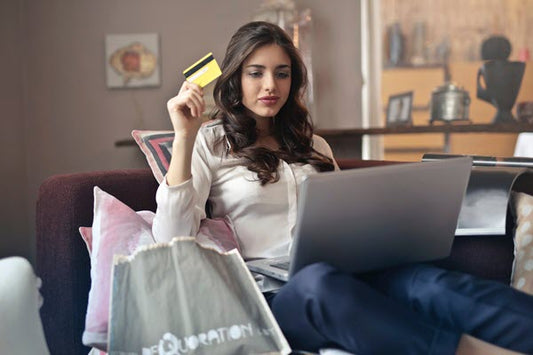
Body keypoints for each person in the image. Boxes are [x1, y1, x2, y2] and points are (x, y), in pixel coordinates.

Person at [153, 21, 533, 354]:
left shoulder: (313, 145)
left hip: (350, 274)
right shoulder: (210, 143)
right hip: (276, 298)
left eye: (282, 73)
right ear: (235, 78)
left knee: (428, 284)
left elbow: (345, 217)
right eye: (256, 73)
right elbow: (171, 237)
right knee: (319, 284)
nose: (271, 85)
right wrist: (184, 137)